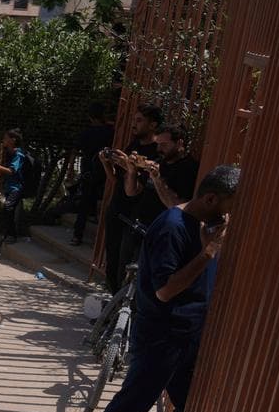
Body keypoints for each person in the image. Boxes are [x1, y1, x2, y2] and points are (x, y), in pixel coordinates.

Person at [90, 165, 239, 412]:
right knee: (134, 401)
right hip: (163, 333)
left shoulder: (205, 224)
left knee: (191, 403)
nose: (232, 217)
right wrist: (208, 252)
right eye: (231, 207)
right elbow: (165, 291)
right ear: (211, 198)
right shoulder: (174, 227)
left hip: (189, 334)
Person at [101, 104, 162, 292]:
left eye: (139, 120)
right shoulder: (134, 145)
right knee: (111, 260)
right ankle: (111, 304)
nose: (134, 124)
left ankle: (122, 309)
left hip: (134, 215)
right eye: (134, 119)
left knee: (124, 265)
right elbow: (115, 179)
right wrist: (107, 163)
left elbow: (133, 190)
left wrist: (130, 167)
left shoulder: (155, 153)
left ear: (153, 125)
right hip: (116, 209)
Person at [128, 124, 199, 229]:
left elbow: (176, 206)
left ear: (179, 143)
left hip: (160, 230)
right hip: (138, 226)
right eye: (158, 144)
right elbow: (131, 192)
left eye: (164, 145)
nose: (159, 149)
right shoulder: (159, 162)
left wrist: (157, 179)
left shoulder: (188, 169)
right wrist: (132, 171)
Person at [70, 103, 116, 246]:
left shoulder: (86, 133)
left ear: (90, 117)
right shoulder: (110, 131)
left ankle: (77, 235)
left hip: (89, 171)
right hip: (106, 170)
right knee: (104, 199)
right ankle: (102, 237)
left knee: (85, 202)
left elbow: (75, 150)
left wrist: (70, 168)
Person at [0, 128, 27, 246]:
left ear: (13, 140)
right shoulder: (8, 152)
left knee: (8, 208)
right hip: (9, 186)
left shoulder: (18, 154)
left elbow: (11, 171)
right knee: (7, 211)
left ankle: (12, 235)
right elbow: (1, 169)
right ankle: (8, 235)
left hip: (16, 187)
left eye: (6, 138)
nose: (3, 140)